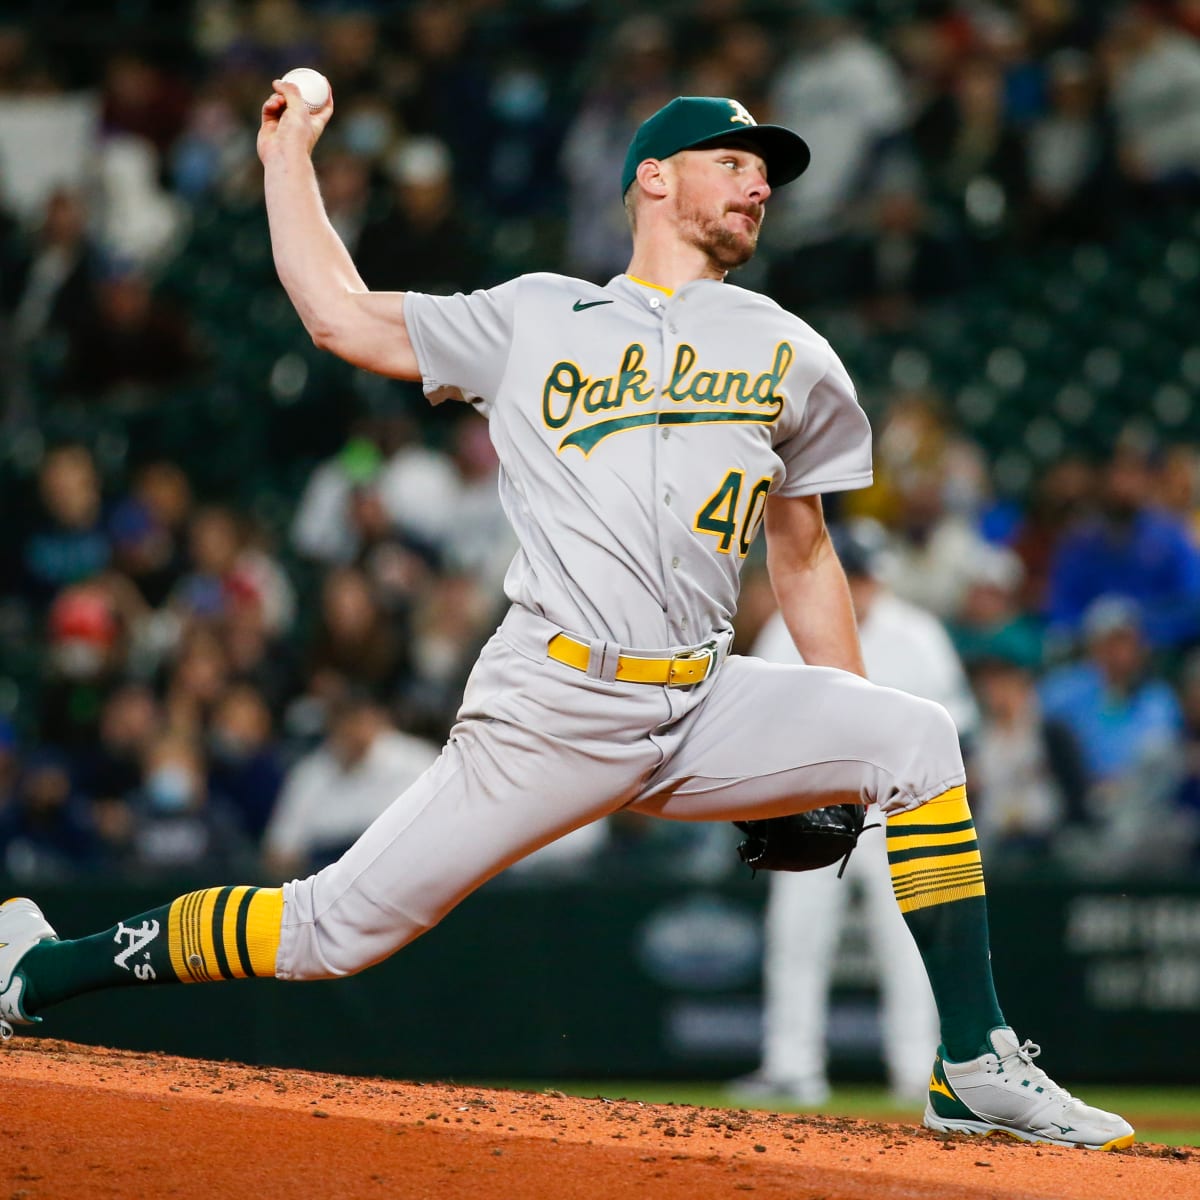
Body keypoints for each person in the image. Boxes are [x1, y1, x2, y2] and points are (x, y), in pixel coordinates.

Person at [0, 83, 1132, 1151]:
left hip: (699, 699)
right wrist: (286, 155)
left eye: (766, 173)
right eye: (731, 162)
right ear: (651, 179)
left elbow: (805, 552)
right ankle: (41, 969)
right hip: (551, 704)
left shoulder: (793, 350)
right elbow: (342, 319)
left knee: (915, 736)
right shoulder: (535, 317)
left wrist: (843, 739)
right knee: (327, 934)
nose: (757, 185)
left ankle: (972, 1061)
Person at [734, 522, 975, 1106]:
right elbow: (755, 713)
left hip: (897, 812)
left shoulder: (917, 634)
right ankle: (792, 1067)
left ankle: (917, 1070)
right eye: (854, 575)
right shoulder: (787, 624)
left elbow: (957, 725)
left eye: (869, 577)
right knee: (796, 938)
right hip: (813, 808)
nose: (862, 588)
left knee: (910, 942)